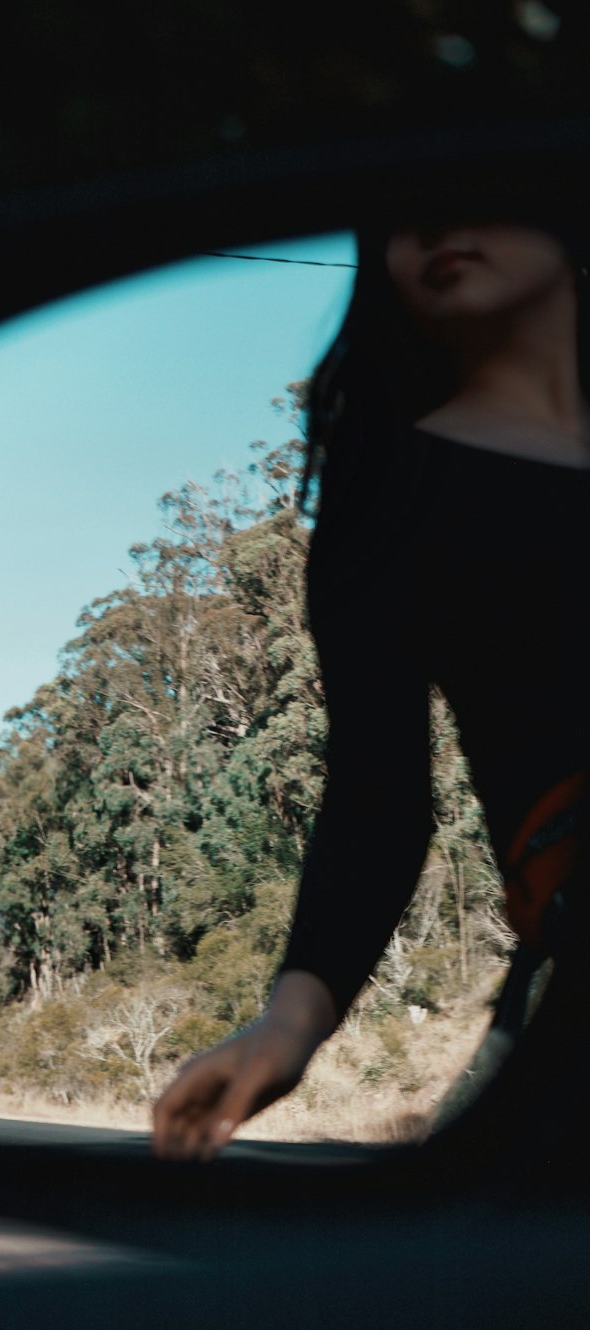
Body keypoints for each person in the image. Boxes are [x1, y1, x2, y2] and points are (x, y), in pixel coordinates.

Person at [152, 218, 590, 1163]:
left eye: (472, 186)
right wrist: (291, 1022)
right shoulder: (392, 491)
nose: (431, 224)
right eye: (394, 215)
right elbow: (377, 795)